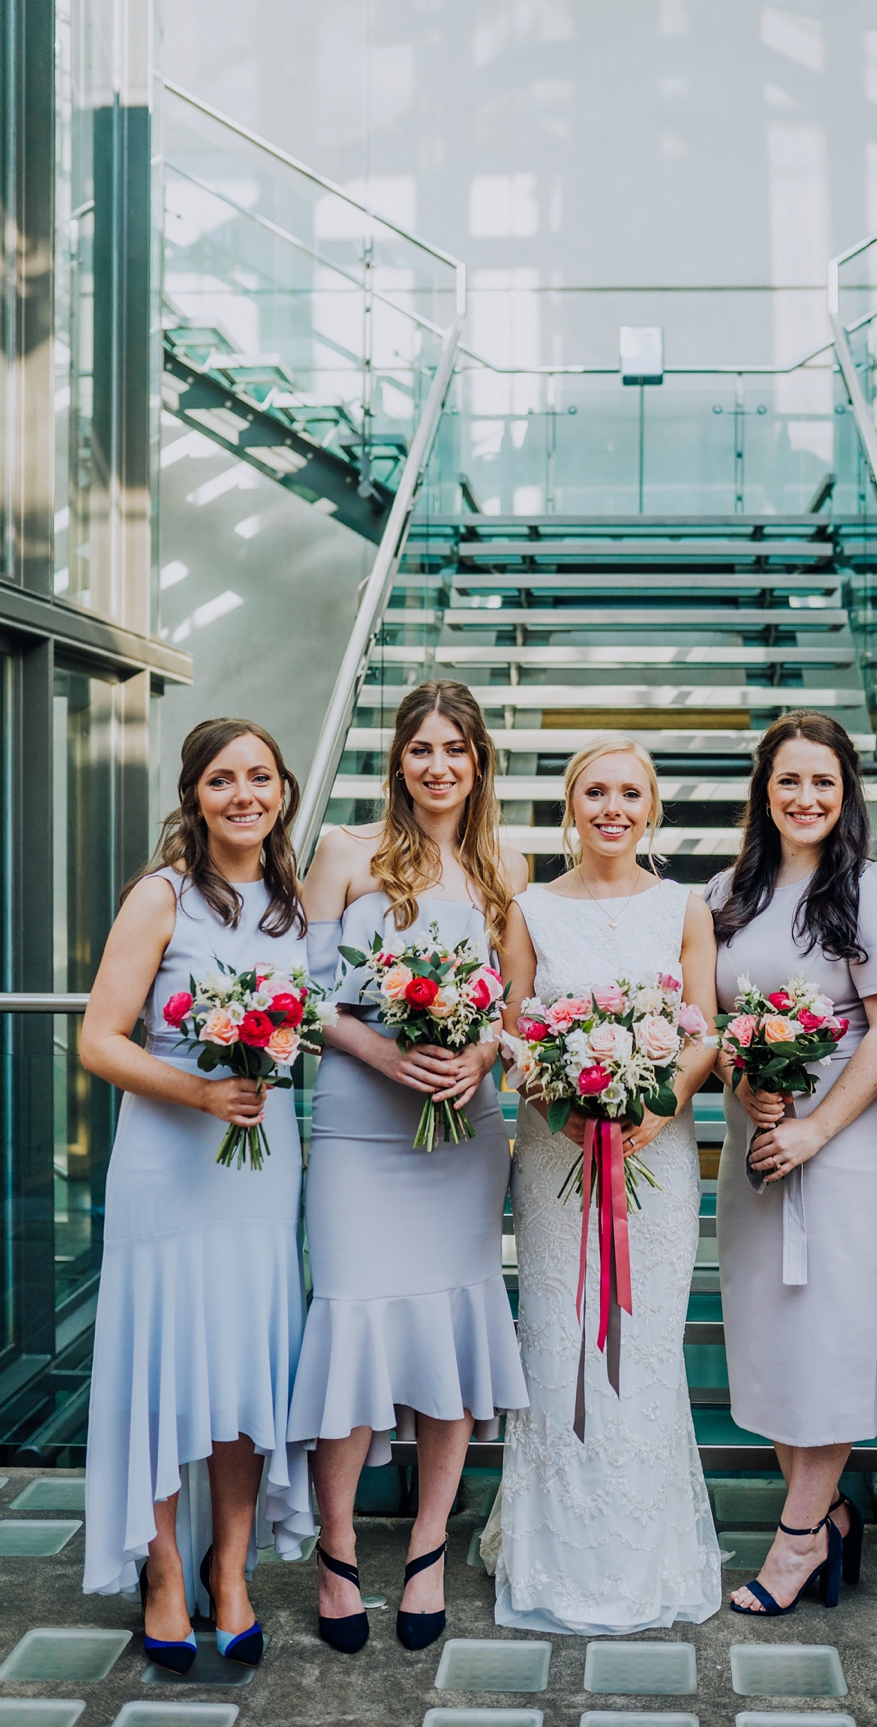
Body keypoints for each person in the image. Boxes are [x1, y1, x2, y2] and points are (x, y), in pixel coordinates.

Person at [288, 679, 528, 1655]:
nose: (438, 766)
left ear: (479, 765)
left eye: (456, 751)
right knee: (348, 1318)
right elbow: (298, 998)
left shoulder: (504, 866)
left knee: (451, 1328)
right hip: (357, 1129)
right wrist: (385, 1053)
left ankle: (428, 1544)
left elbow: (517, 1008)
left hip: (462, 1135)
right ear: (398, 759)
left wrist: (477, 1055)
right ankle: (337, 1543)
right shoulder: (345, 854)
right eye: (421, 749)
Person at [81, 719, 313, 1673]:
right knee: (166, 1367)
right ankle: (165, 1568)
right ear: (195, 794)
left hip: (265, 1172)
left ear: (285, 791)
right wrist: (203, 1090)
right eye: (223, 779)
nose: (244, 794)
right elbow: (101, 1039)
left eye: (261, 777)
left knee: (241, 1365)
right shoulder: (162, 894)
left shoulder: (297, 906)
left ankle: (232, 1566)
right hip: (168, 1165)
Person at [486, 733, 723, 1635]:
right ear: (570, 805)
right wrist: (569, 1100)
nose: (612, 808)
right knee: (556, 1340)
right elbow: (514, 1036)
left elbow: (703, 1029)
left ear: (651, 808)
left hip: (657, 1153)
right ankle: (552, 1555)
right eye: (595, 792)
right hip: (556, 1153)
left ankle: (640, 1557)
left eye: (629, 793)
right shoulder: (532, 908)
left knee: (644, 1349)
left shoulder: (685, 906)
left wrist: (655, 1108)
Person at [705, 712, 877, 1615]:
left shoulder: (875, 887)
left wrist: (816, 1129)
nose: (805, 798)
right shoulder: (726, 893)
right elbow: (709, 1022)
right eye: (789, 780)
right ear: (764, 789)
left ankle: (796, 1539)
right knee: (772, 1334)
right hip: (754, 1138)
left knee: (829, 1333)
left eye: (823, 783)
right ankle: (826, 1512)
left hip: (847, 1141)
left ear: (847, 794)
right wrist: (743, 1074)